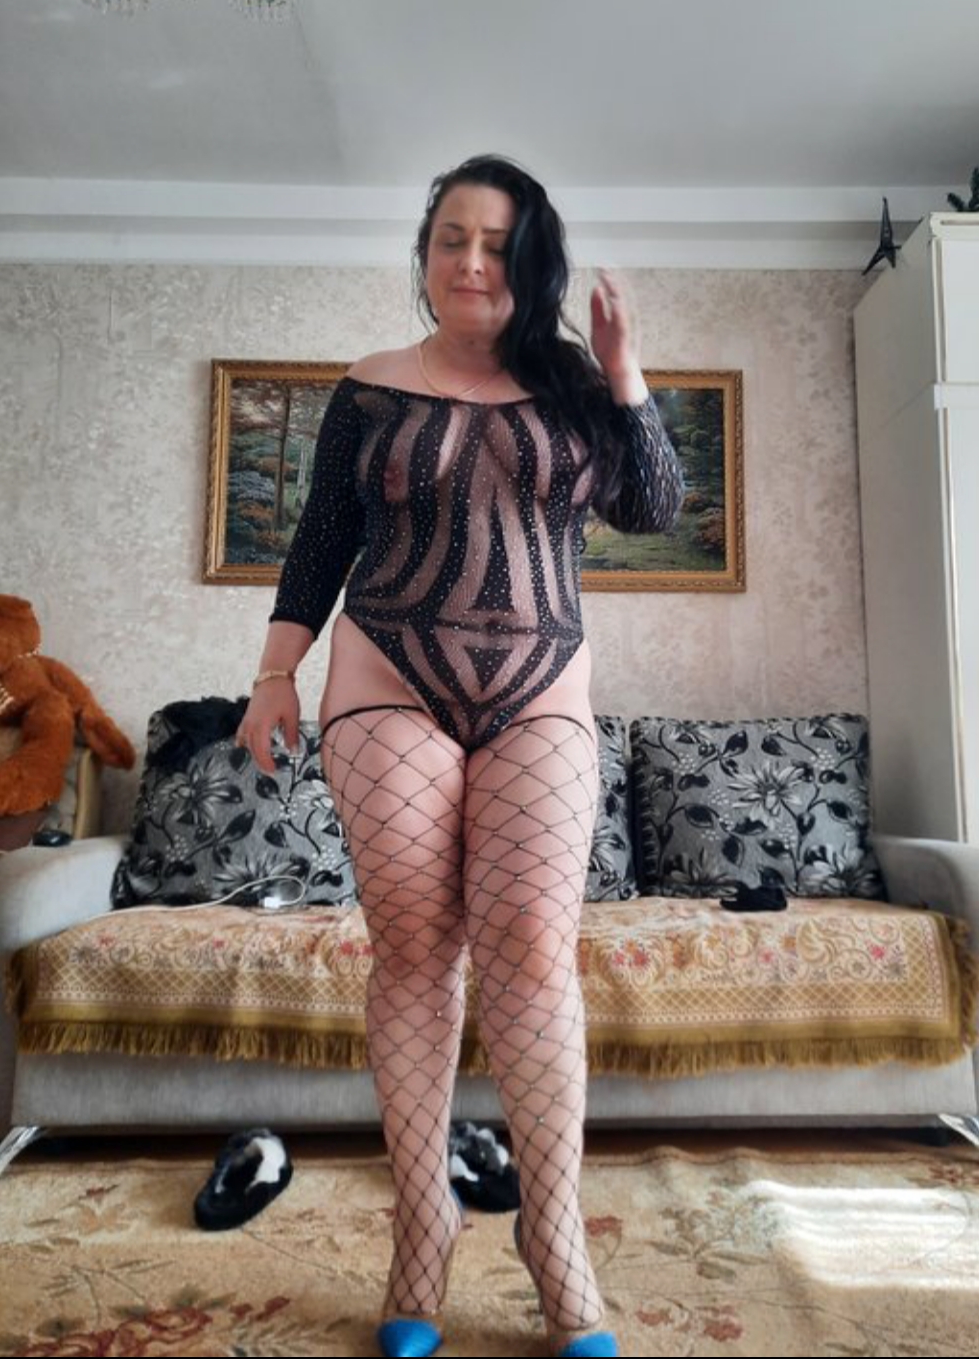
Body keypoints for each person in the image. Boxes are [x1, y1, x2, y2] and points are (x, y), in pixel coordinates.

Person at [237, 154, 684, 1359]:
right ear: (425, 253)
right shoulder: (370, 385)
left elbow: (653, 508)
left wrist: (625, 371)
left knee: (532, 949)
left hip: (544, 693)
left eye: (495, 242)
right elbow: (321, 539)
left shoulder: (577, 387)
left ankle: (554, 1234)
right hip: (387, 677)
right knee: (416, 950)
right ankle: (421, 1221)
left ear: (529, 261)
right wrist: (275, 674)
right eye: (450, 237)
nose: (471, 261)